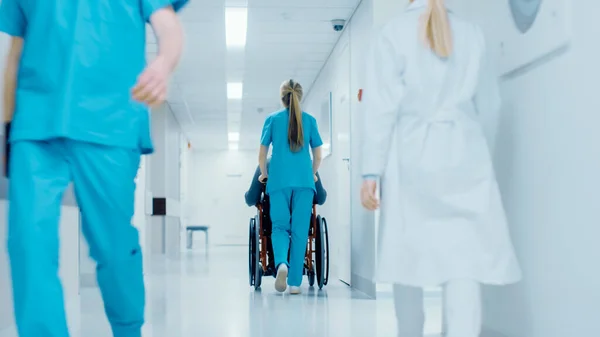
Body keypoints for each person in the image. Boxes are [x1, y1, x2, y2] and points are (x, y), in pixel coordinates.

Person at [0, 1, 187, 336]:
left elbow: (168, 25)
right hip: (34, 123)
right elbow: (15, 50)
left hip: (109, 121)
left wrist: (163, 64)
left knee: (113, 245)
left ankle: (128, 329)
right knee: (27, 240)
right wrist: (7, 129)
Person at [359, 1, 522, 337]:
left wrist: (370, 173)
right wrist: (481, 155)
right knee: (465, 260)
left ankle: (410, 331)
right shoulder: (473, 33)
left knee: (407, 258)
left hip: (412, 155)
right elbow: (491, 104)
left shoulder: (392, 34)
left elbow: (379, 110)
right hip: (466, 152)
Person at [258, 79, 323, 295]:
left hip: (278, 182)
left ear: (282, 97)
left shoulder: (272, 120)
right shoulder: (310, 120)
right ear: (299, 96)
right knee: (300, 231)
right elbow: (318, 154)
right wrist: (312, 173)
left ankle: (282, 265)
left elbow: (262, 153)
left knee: (279, 227)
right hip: (304, 182)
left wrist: (264, 174)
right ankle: (295, 283)